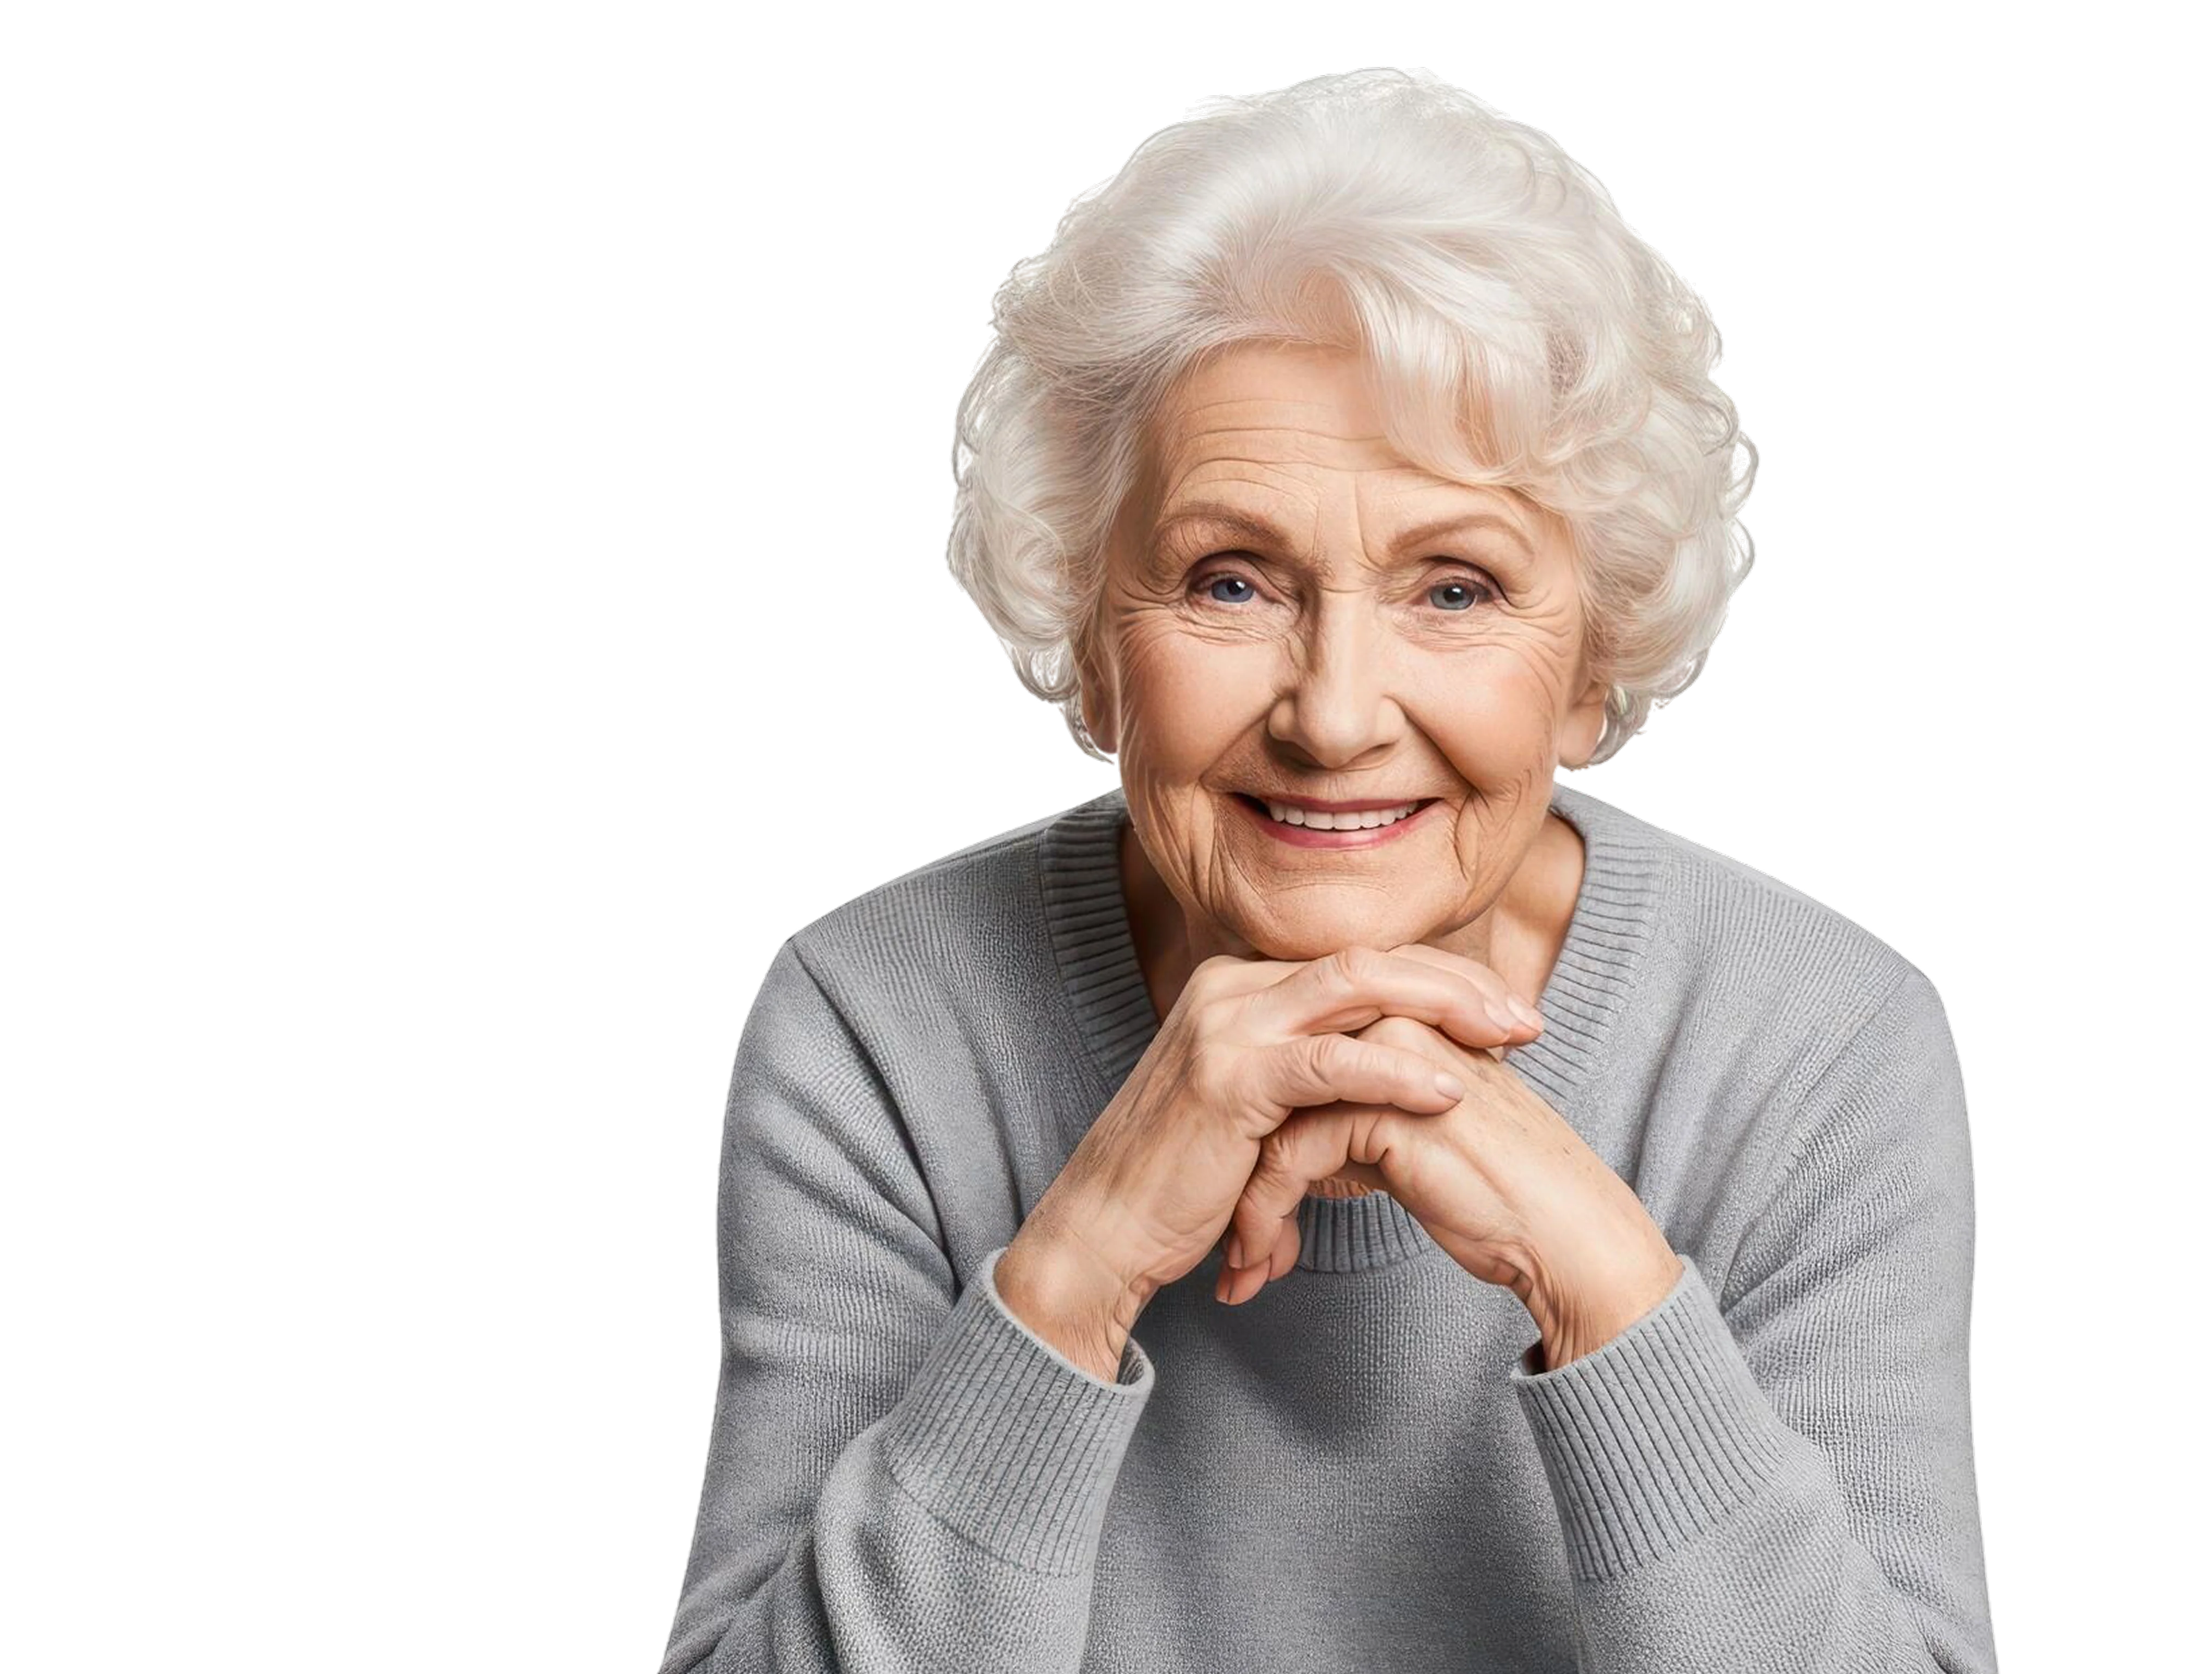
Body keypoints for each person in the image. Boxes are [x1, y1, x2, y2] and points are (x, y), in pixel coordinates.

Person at [657, 67, 1998, 1674]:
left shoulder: (1818, 1039)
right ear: (1091, 630)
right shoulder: (876, 1021)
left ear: (1598, 652)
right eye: (1232, 580)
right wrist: (1069, 1274)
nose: (1337, 714)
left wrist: (1612, 1292)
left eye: (1456, 587)